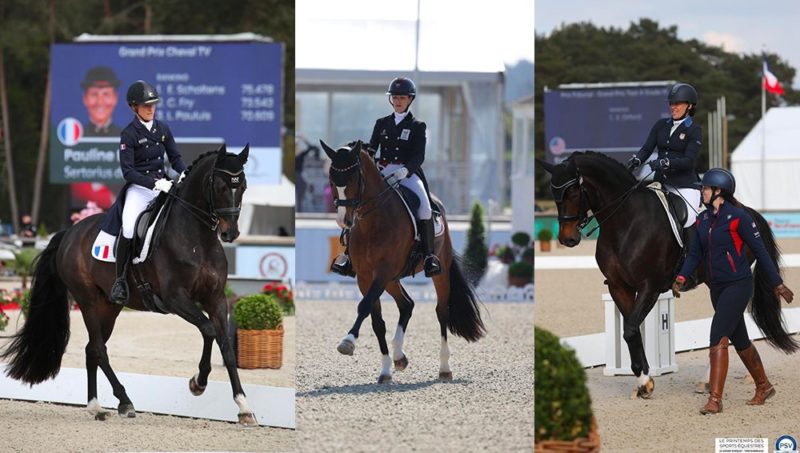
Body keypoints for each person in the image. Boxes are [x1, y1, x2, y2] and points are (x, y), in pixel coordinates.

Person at [672, 169, 794, 415]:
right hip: (716, 288)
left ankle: (715, 400)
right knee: (740, 339)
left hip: (738, 285)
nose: (701, 192)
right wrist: (682, 276)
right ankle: (764, 386)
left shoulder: (739, 218)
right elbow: (695, 254)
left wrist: (777, 284)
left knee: (717, 335)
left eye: (705, 188)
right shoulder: (702, 220)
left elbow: (760, 252)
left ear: (718, 191)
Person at [330, 77, 441, 278]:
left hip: (408, 174)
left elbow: (419, 156)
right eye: (395, 97)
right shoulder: (381, 123)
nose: (398, 101)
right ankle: (347, 256)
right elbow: (372, 149)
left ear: (410, 99)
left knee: (424, 207)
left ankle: (428, 256)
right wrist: (360, 148)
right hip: (383, 171)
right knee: (359, 203)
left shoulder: (418, 126)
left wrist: (405, 170)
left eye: (402, 98)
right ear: (391, 100)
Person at [101, 80, 187, 304]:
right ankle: (120, 281)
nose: (151, 109)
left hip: (164, 186)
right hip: (140, 190)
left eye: (153, 105)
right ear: (133, 107)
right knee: (129, 228)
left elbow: (175, 157)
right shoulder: (128, 134)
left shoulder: (162, 129)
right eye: (145, 105)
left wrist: (185, 172)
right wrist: (154, 184)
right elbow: (128, 172)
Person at [626, 83, 702, 228]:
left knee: (688, 221)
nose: (673, 107)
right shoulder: (661, 125)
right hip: (660, 184)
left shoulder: (694, 130)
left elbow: (689, 161)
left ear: (690, 106)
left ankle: (690, 250)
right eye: (672, 103)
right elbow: (647, 149)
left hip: (684, 185)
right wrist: (637, 160)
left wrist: (667, 162)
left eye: (678, 103)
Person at [81, 66, 122, 137]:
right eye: (94, 94)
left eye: (106, 94)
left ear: (115, 98)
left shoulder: (127, 137)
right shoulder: (75, 137)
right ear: (85, 98)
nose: (100, 102)